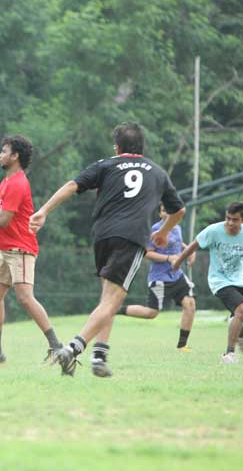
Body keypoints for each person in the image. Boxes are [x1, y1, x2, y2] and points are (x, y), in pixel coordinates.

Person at [29, 122, 185, 377]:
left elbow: (71, 185)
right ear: (142, 147)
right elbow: (179, 210)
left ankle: (99, 356)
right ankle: (72, 349)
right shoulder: (158, 172)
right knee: (113, 299)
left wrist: (44, 211)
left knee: (108, 298)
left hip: (102, 236)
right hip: (132, 237)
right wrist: (164, 232)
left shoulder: (107, 164)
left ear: (117, 147)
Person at [0, 135, 64, 364]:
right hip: (7, 250)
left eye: (4, 151)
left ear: (15, 156)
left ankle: (58, 347)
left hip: (21, 249)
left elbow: (4, 220)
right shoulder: (7, 181)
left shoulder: (18, 183)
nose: (0, 155)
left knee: (25, 298)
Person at [171, 201, 243, 364]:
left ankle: (241, 333)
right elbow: (193, 245)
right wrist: (178, 262)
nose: (230, 223)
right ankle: (229, 354)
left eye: (235, 219)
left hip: (240, 280)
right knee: (241, 309)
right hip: (219, 281)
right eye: (228, 218)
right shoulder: (214, 231)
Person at [116, 204, 197, 351]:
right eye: (164, 210)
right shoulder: (155, 230)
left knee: (190, 305)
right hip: (160, 279)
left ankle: (182, 345)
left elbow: (179, 243)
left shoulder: (177, 228)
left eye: (170, 210)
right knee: (151, 313)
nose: (168, 213)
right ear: (160, 214)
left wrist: (189, 251)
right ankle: (115, 309)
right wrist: (168, 258)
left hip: (177, 276)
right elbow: (146, 253)